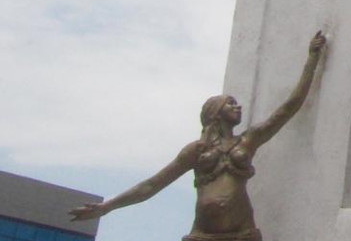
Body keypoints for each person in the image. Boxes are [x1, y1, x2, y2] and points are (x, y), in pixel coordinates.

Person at [70, 31, 327, 240]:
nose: (238, 107)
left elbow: (289, 106)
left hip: (242, 234)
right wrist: (108, 206)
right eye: (231, 103)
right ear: (215, 113)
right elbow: (152, 185)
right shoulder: (197, 151)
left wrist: (311, 60)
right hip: (203, 236)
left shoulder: (248, 140)